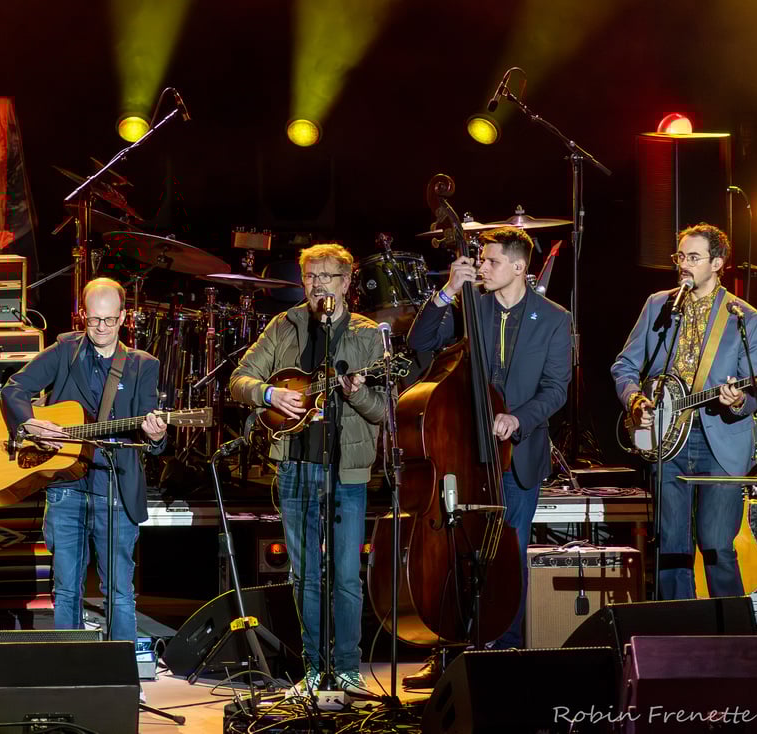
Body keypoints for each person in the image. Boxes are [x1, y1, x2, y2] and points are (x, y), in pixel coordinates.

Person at [403, 226, 572, 687]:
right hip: (464, 450)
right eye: (481, 259)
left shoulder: (554, 318)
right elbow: (419, 345)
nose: (482, 266)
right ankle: (450, 652)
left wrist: (518, 418)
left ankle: (505, 647)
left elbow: (556, 388)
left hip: (517, 455)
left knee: (508, 552)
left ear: (520, 268)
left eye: (492, 261)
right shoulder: (469, 303)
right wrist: (447, 292)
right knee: (456, 549)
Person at [229, 243, 386, 696]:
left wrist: (355, 392)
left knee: (345, 576)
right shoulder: (285, 325)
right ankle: (314, 670)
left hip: (347, 471)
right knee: (304, 576)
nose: (318, 285)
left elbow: (379, 412)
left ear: (348, 281)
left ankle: (349, 670)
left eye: (328, 276)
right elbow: (240, 379)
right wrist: (269, 396)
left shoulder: (367, 335)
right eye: (311, 277)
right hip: (296, 465)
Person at [0, 278, 167, 653]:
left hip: (116, 488)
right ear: (82, 317)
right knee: (66, 588)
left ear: (124, 317)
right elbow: (14, 388)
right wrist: (29, 424)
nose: (102, 328)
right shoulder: (64, 351)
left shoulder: (142, 366)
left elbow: (153, 439)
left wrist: (156, 435)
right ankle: (66, 668)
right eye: (94, 321)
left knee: (120, 592)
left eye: (110, 320)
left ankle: (122, 674)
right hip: (65, 486)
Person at [612, 223, 757, 600]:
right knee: (670, 547)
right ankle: (674, 635)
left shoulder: (744, 317)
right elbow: (624, 365)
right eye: (680, 256)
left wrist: (737, 401)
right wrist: (636, 401)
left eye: (693, 257)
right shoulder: (658, 304)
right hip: (667, 440)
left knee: (716, 546)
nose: (684, 264)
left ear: (717, 263)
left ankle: (730, 635)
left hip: (719, 442)